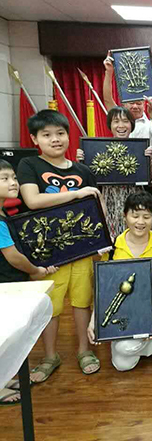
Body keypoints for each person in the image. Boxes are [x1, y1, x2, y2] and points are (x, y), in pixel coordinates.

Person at [18, 110, 103, 382]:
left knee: (82, 301)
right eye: (47, 135)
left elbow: (95, 208)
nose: (55, 139)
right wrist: (76, 194)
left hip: (81, 248)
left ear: (68, 135)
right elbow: (32, 201)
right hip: (47, 252)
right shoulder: (29, 165)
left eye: (60, 133)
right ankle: (49, 356)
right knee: (50, 306)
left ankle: (84, 350)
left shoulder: (83, 171)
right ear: (35, 139)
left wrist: (102, 242)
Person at [87, 191, 152, 371]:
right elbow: (103, 288)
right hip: (122, 308)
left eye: (146, 217)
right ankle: (148, 340)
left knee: (125, 349)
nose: (140, 222)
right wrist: (94, 320)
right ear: (124, 215)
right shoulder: (112, 247)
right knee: (122, 365)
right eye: (135, 216)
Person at [0, 160, 57, 405]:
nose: (13, 183)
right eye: (4, 179)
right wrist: (35, 271)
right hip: (5, 284)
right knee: (5, 335)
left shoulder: (4, 213)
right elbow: (13, 256)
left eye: (14, 177)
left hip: (10, 282)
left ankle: (3, 377)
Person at [76, 106, 149, 240]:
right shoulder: (97, 147)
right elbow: (87, 177)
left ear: (132, 125)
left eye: (125, 121)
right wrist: (81, 161)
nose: (121, 125)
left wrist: (149, 160)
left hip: (135, 196)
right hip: (108, 197)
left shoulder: (141, 148)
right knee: (110, 234)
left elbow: (150, 178)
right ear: (110, 125)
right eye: (116, 121)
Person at [102, 53, 152, 141]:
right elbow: (108, 99)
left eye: (139, 103)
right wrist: (109, 72)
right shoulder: (118, 116)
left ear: (144, 105)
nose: (135, 106)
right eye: (131, 103)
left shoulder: (150, 124)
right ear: (124, 104)